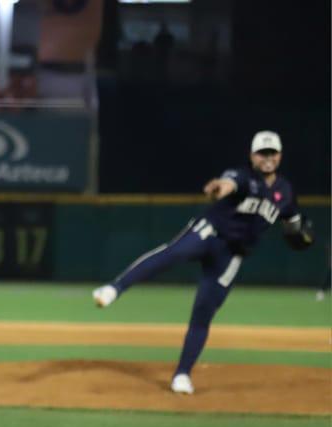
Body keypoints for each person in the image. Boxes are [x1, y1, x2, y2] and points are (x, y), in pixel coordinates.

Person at [93, 131, 314, 394]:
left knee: (204, 312)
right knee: (170, 254)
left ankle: (182, 374)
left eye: (272, 153)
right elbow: (229, 183)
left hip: (232, 255)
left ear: (280, 155)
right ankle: (114, 289)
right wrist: (219, 187)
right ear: (252, 156)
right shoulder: (243, 175)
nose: (267, 158)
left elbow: (292, 223)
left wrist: (299, 234)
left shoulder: (286, 191)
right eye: (262, 153)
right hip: (208, 233)